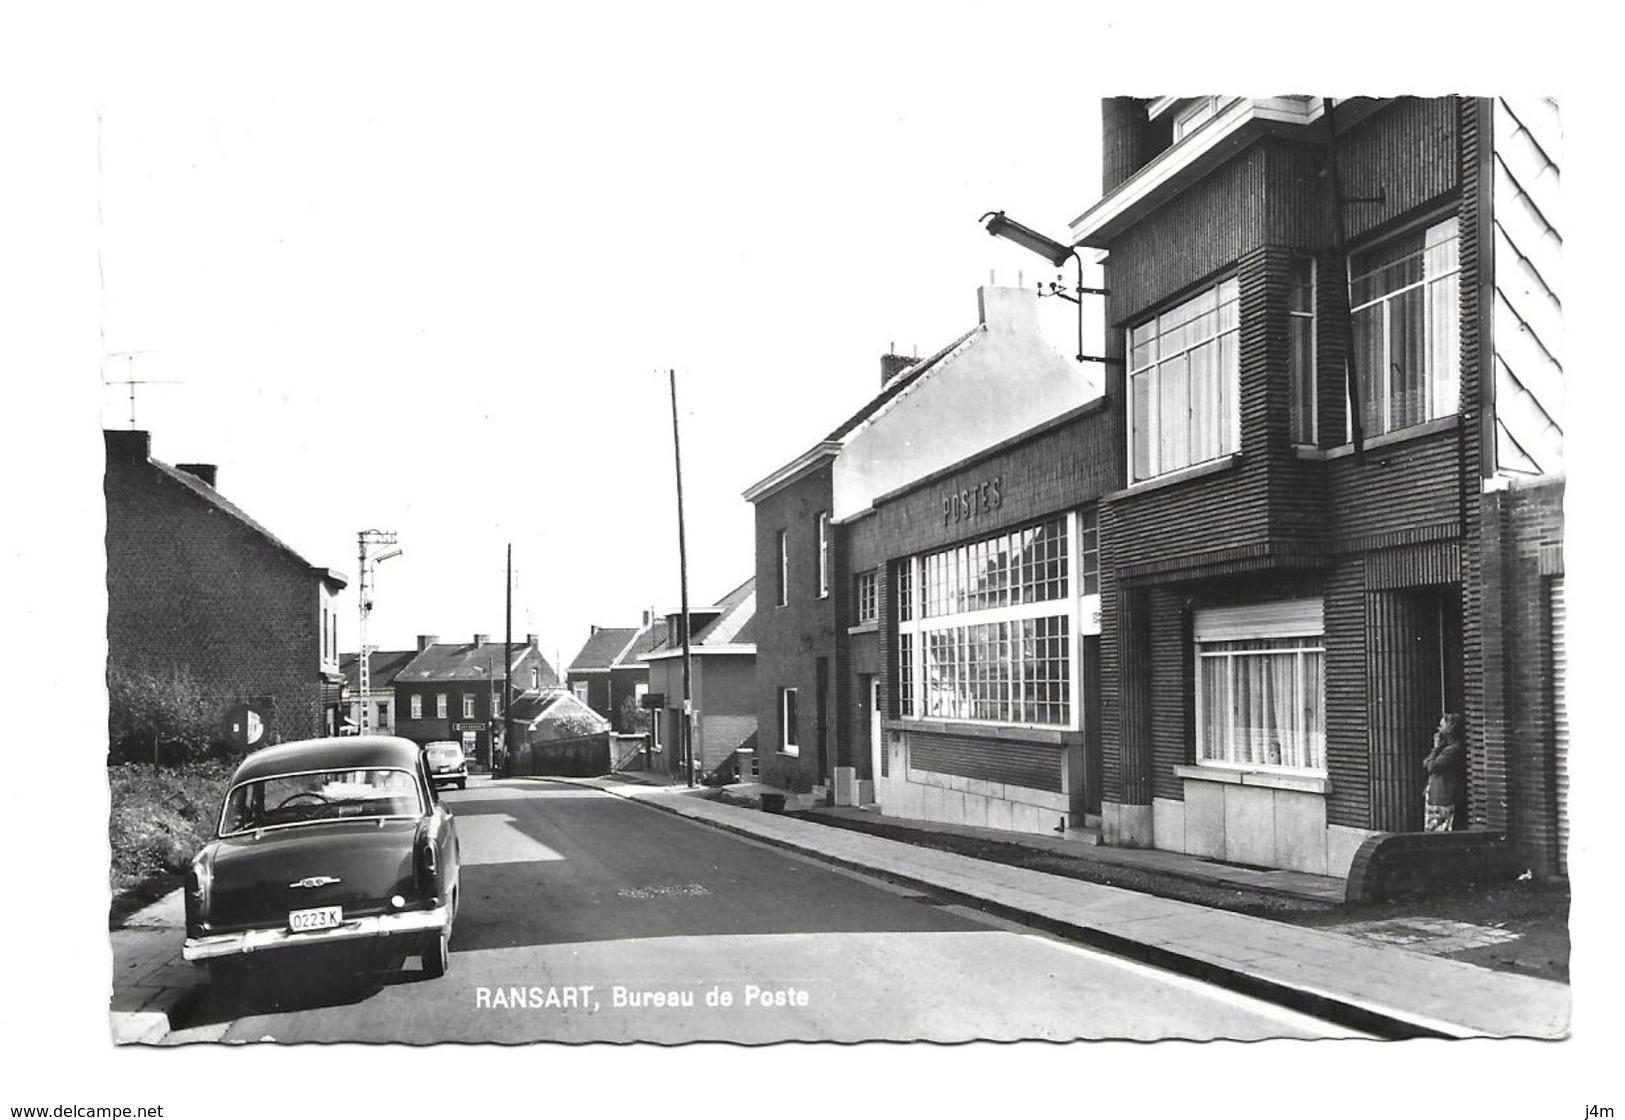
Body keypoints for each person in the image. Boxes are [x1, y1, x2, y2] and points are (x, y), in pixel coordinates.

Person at [1423, 712, 1465, 831]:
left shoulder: (1453, 750)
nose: (1438, 729)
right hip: (1437, 796)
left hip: (1443, 798)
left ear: (1449, 729)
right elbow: (1426, 762)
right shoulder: (1446, 747)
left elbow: (1432, 766)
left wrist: (1436, 747)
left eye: (1441, 726)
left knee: (1438, 831)